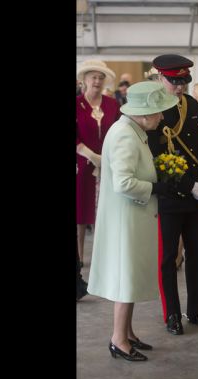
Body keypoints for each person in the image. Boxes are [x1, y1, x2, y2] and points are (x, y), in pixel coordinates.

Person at [88, 81, 181, 361]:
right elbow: (124, 183)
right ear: (143, 114)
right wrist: (156, 188)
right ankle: (118, 339)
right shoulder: (125, 135)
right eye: (158, 112)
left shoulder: (131, 129)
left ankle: (127, 332)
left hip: (131, 216)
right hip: (126, 218)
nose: (162, 117)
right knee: (125, 279)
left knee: (129, 277)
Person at [146, 54, 198, 335]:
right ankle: (171, 314)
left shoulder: (190, 104)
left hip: (196, 193)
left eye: (183, 82)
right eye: (173, 81)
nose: (179, 87)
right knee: (168, 258)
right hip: (170, 193)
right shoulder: (152, 107)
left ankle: (196, 310)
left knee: (196, 254)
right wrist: (186, 184)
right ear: (160, 77)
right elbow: (155, 156)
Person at [76, 60, 120, 275]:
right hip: (82, 165)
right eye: (93, 76)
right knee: (81, 212)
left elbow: (120, 131)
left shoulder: (112, 104)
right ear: (83, 80)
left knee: (107, 211)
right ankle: (79, 257)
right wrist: (92, 156)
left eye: (101, 77)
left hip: (110, 165)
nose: (97, 80)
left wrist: (109, 158)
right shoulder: (76, 104)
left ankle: (106, 255)